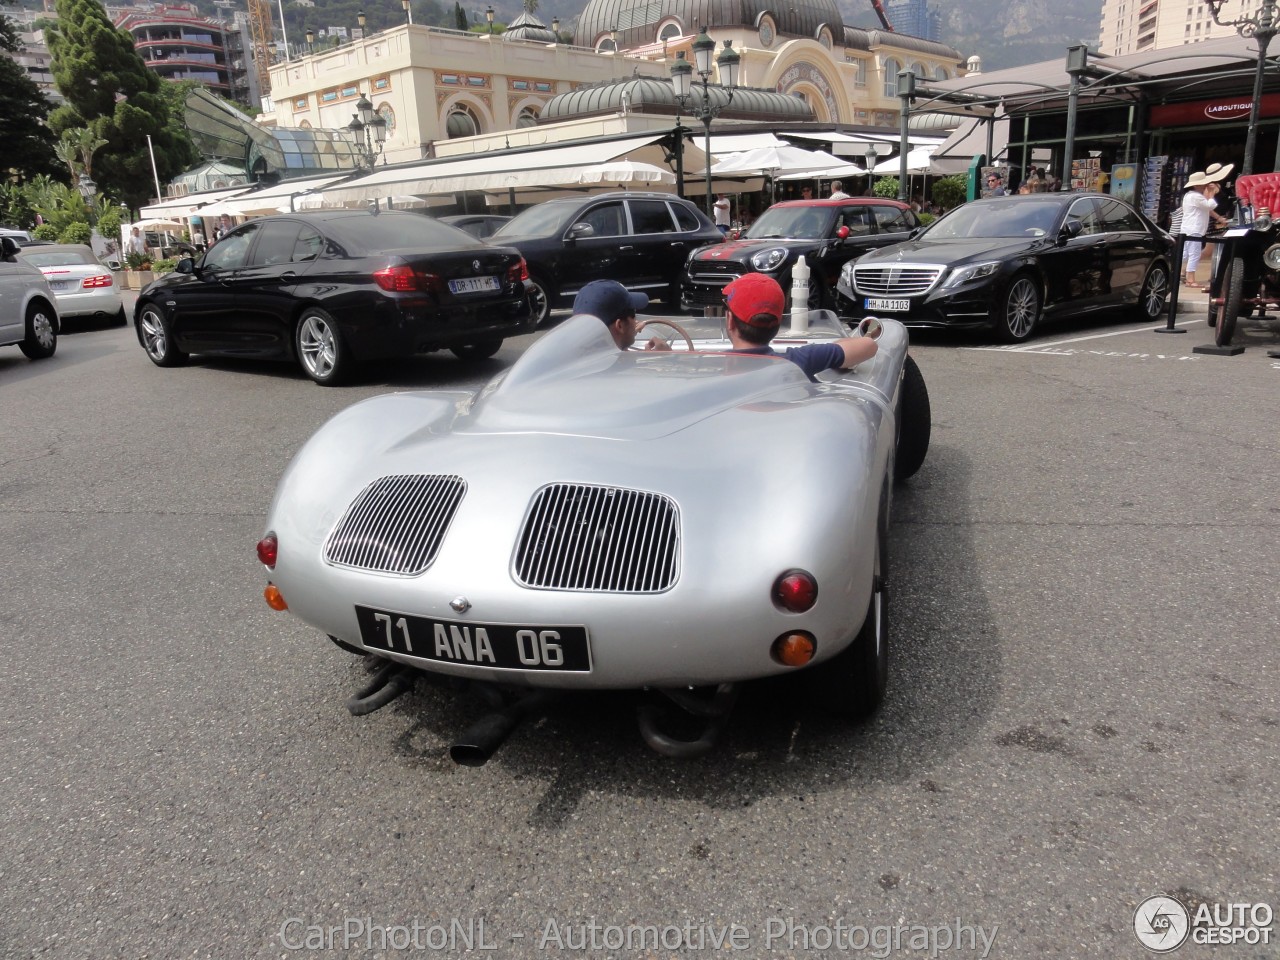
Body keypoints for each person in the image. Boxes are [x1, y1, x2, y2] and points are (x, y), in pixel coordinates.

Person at [721, 273, 877, 380]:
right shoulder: (797, 361)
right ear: (777, 323)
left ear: (730, 320)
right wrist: (831, 349)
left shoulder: (710, 365)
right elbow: (868, 345)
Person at [573, 279, 670, 351]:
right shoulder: (624, 376)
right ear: (620, 326)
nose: (637, 321)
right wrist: (668, 361)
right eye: (633, 313)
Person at [1179, 171, 1230, 290]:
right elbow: (1210, 205)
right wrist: (1211, 193)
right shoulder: (1196, 196)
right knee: (1194, 254)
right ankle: (1190, 279)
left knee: (1186, 254)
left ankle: (1176, 272)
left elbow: (1207, 209)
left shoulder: (1190, 196)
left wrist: (1218, 218)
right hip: (1194, 228)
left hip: (1189, 228)